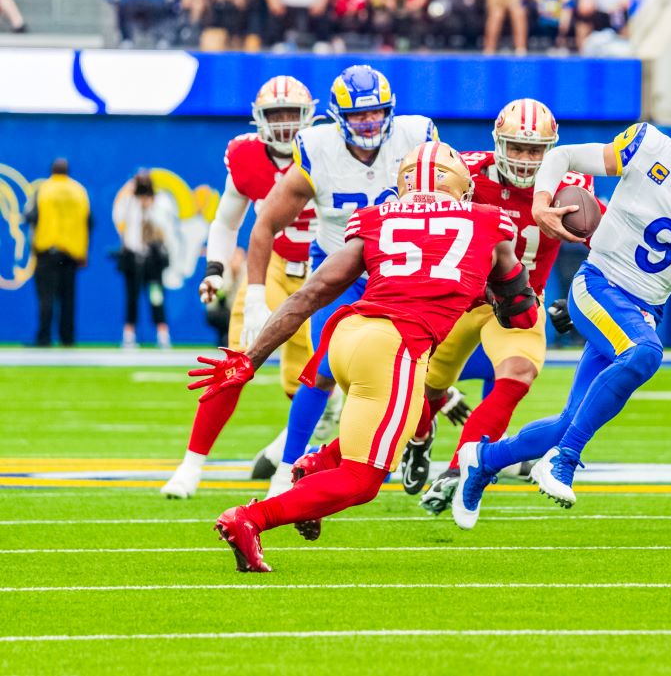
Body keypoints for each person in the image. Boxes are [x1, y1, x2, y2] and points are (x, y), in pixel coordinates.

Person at [205, 142, 538, 572]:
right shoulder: (489, 222)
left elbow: (310, 294)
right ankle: (250, 519)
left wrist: (251, 358)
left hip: (346, 337)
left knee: (390, 431)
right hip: (395, 346)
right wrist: (494, 290)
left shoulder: (378, 218)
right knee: (365, 480)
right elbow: (521, 314)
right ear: (462, 187)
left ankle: (318, 464)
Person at [452, 93, 671, 529]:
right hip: (597, 283)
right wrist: (541, 202)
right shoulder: (646, 145)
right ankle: (564, 460)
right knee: (645, 354)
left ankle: (481, 460)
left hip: (645, 307)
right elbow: (561, 156)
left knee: (568, 420)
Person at [242, 65, 437, 498]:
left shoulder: (417, 139)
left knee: (405, 373)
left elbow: (459, 196)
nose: (368, 123)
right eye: (358, 116)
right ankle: (288, 467)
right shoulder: (318, 149)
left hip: (399, 274)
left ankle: (417, 436)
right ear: (337, 117)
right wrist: (256, 296)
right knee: (324, 368)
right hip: (339, 269)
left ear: (389, 111)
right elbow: (264, 224)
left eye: (376, 113)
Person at [415, 100, 593, 512]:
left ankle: (460, 470)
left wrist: (583, 291)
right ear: (497, 144)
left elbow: (603, 240)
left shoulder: (570, 186)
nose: (527, 159)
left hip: (519, 299)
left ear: (551, 149)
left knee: (517, 373)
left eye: (535, 150)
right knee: (421, 386)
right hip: (461, 297)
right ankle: (420, 439)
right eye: (517, 147)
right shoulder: (466, 175)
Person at [160, 77, 317, 500]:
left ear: (309, 115)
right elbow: (227, 221)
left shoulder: (328, 148)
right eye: (276, 115)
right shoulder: (246, 154)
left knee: (317, 382)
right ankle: (191, 465)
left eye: (292, 114)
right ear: (259, 118)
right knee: (233, 363)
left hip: (326, 273)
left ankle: (285, 453)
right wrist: (214, 269)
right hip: (275, 267)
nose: (285, 125)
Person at [28, 158, 89, 347]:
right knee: (68, 298)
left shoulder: (44, 189)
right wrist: (83, 251)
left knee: (46, 296)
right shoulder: (79, 191)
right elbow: (88, 222)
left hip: (48, 250)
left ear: (52, 171)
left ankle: (44, 337)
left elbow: (33, 217)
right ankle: (67, 338)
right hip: (71, 254)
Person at [113, 170, 172, 349]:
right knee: (132, 297)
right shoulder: (129, 202)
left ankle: (162, 334)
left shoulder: (161, 202)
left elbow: (164, 225)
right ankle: (129, 334)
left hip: (153, 259)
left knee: (156, 297)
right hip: (132, 256)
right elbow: (117, 216)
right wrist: (127, 191)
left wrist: (150, 205)